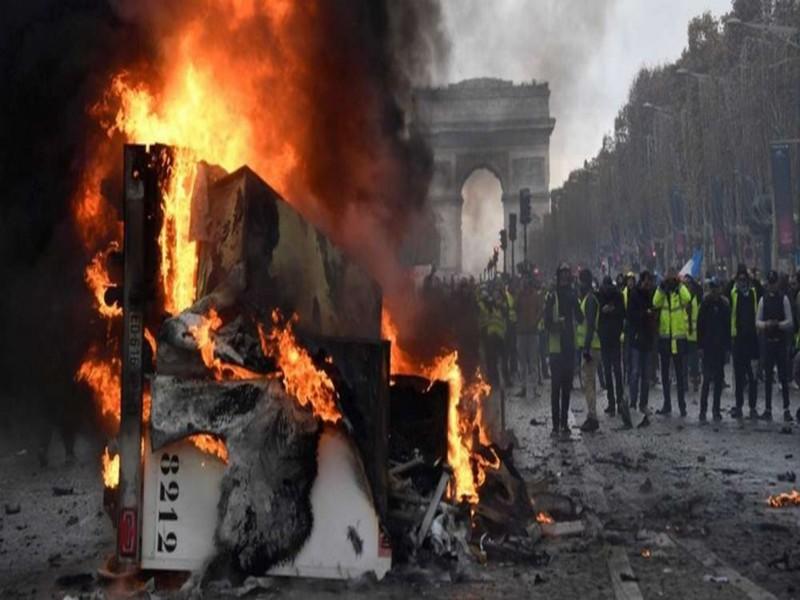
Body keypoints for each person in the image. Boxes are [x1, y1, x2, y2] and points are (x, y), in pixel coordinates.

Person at [544, 264, 583, 437]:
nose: (565, 277)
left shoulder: (572, 294)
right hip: (555, 347)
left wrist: (577, 301)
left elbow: (580, 318)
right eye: (563, 273)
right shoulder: (551, 296)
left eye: (568, 273)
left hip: (568, 347)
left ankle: (564, 423)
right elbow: (546, 322)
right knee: (555, 388)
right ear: (558, 275)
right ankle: (555, 425)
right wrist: (556, 325)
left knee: (566, 388)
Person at [652, 268, 692, 417]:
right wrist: (661, 288)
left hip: (678, 339)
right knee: (664, 375)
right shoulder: (662, 293)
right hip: (665, 339)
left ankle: (682, 405)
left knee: (680, 374)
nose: (669, 282)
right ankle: (667, 403)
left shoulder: (678, 292)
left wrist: (679, 285)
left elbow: (687, 298)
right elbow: (655, 302)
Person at [756, 270, 794, 422]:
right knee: (768, 377)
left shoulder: (783, 299)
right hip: (768, 343)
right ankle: (768, 409)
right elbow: (757, 321)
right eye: (770, 283)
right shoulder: (763, 300)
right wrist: (766, 325)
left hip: (779, 342)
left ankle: (786, 408)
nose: (772, 286)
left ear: (777, 283)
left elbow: (790, 321)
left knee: (783, 377)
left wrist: (777, 324)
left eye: (774, 283)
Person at [597, 276, 631, 427]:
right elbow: (623, 314)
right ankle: (618, 401)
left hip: (605, 338)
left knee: (608, 371)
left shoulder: (600, 296)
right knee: (617, 371)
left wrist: (606, 311)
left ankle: (611, 403)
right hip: (615, 338)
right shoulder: (618, 295)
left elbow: (598, 317)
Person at [696, 277, 730, 422]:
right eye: (713, 288)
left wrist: (728, 348)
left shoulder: (724, 305)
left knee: (717, 381)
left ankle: (716, 410)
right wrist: (700, 347)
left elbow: (727, 328)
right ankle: (703, 411)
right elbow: (700, 326)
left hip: (720, 348)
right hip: (708, 348)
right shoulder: (705, 304)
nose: (715, 290)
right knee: (706, 380)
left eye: (717, 288)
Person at [627, 271, 657, 427]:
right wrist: (645, 314)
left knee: (646, 375)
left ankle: (643, 403)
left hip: (647, 340)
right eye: (647, 282)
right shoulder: (634, 295)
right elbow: (631, 316)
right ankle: (633, 402)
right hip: (637, 339)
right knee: (635, 372)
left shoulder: (651, 295)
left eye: (650, 282)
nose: (648, 285)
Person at [730, 264, 759, 419]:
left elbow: (761, 288)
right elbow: (727, 288)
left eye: (744, 279)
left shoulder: (754, 293)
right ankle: (739, 405)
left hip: (752, 341)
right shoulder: (734, 293)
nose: (742, 282)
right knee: (739, 377)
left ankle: (752, 407)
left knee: (753, 376)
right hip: (738, 341)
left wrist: (752, 276)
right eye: (739, 279)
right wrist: (734, 277)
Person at [577, 268, 601, 432]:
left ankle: (592, 417)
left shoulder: (590, 300)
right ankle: (592, 415)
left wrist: (585, 347)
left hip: (591, 347)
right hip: (591, 346)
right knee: (590, 382)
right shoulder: (588, 299)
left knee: (589, 383)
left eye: (579, 281)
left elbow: (590, 324)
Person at [515, 274, 545, 398]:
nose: (526, 286)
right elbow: (515, 309)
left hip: (532, 333)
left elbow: (540, 311)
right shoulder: (520, 296)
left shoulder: (536, 297)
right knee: (522, 363)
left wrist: (535, 322)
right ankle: (523, 388)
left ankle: (534, 388)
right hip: (522, 332)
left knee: (532, 363)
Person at [684, 276, 702, 394]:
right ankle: (688, 379)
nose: (688, 287)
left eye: (690, 285)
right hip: (685, 335)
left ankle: (695, 378)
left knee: (694, 361)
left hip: (695, 335)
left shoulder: (697, 299)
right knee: (686, 360)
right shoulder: (684, 299)